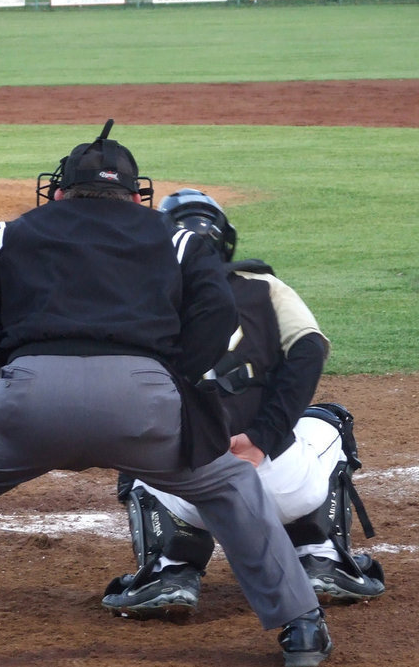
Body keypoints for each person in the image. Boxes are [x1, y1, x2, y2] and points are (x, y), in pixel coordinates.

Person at [0, 123, 332, 667]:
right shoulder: (179, 238)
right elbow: (216, 312)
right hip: (144, 401)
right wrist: (170, 380)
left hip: (27, 397)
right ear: (136, 196)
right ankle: (301, 628)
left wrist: (0, 378)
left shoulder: (5, 232)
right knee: (229, 487)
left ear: (59, 191)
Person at [101, 189, 385, 620]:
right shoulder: (264, 286)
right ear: (224, 239)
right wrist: (261, 437)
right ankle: (320, 555)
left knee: (137, 439)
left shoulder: (135, 297)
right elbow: (309, 350)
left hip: (188, 489)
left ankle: (170, 568)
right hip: (283, 483)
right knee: (330, 421)